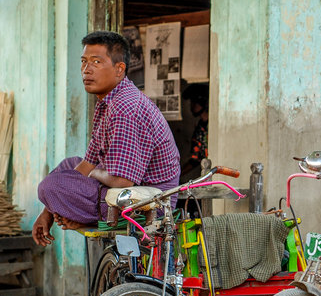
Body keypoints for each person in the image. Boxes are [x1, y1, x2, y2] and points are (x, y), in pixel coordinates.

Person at [32, 31, 181, 246]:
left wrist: (92, 174)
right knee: (68, 165)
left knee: (49, 187)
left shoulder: (124, 108)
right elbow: (88, 162)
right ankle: (67, 211)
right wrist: (47, 212)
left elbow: (123, 181)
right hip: (120, 189)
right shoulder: (107, 103)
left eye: (96, 62)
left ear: (119, 69)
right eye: (84, 62)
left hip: (145, 203)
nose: (86, 69)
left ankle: (78, 215)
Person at [180, 83, 209, 181]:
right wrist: (178, 175)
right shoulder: (200, 128)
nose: (191, 106)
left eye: (194, 102)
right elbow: (195, 159)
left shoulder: (213, 126)